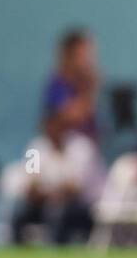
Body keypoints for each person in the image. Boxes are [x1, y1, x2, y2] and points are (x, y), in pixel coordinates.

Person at [13, 105, 103, 246]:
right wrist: (51, 195)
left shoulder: (81, 148)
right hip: (44, 204)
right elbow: (31, 187)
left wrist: (53, 193)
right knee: (20, 218)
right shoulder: (35, 149)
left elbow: (75, 189)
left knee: (65, 218)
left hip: (81, 207)